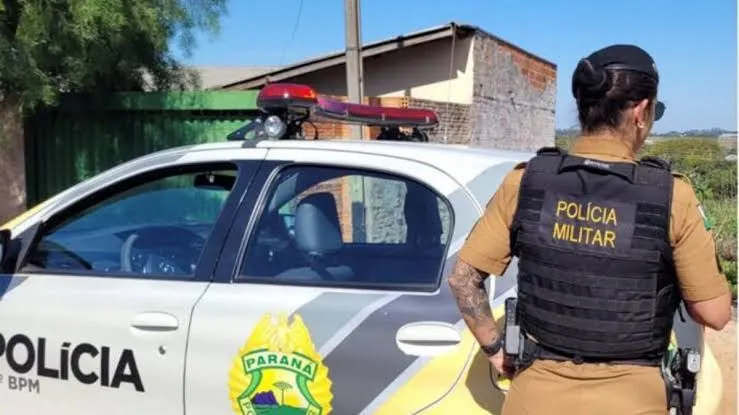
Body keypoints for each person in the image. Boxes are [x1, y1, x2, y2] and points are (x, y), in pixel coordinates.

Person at [448, 44, 733, 415]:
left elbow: (463, 278)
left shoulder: (526, 182)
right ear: (641, 111)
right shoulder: (671, 196)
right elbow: (714, 313)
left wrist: (494, 350)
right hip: (633, 402)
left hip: (534, 398)